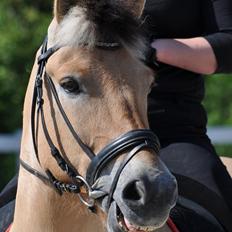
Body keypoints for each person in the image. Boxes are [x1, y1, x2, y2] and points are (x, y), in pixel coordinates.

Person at [142, 0, 232, 231]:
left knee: (222, 210)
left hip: (173, 127)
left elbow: (228, 45)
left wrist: (150, 50)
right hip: (92, 124)